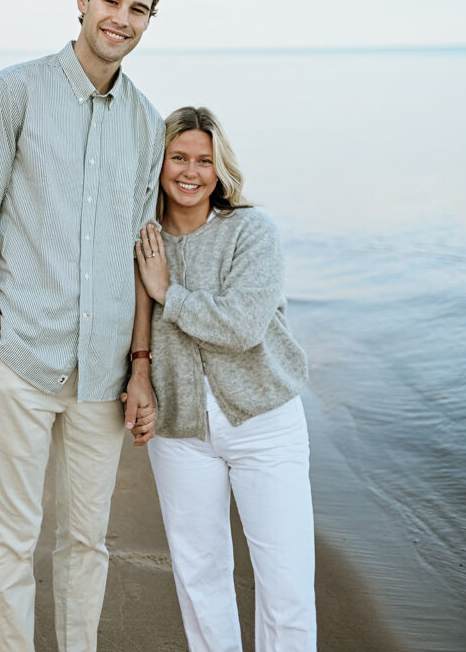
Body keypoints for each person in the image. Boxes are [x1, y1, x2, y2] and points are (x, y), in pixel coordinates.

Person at [0, 0, 165, 652]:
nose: (122, 19)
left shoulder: (146, 123)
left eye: (138, 9)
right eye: (111, 0)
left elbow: (143, 255)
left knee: (87, 539)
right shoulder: (14, 91)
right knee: (12, 537)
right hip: (21, 350)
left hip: (103, 371)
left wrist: (140, 365)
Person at [134, 106, 316, 652]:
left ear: (221, 169)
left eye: (205, 160)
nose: (191, 172)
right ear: (159, 163)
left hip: (265, 423)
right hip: (179, 431)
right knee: (200, 581)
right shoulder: (140, 239)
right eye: (179, 157)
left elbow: (241, 325)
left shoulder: (250, 230)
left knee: (286, 588)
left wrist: (170, 293)